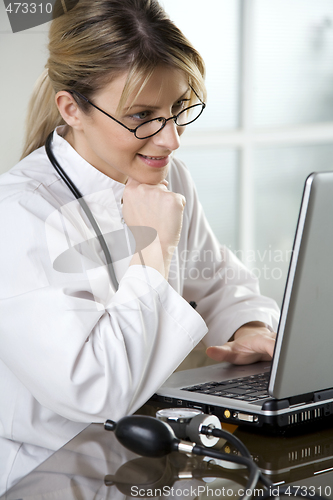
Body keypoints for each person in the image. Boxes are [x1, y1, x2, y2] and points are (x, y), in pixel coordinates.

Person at [0, 0, 279, 493]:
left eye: (177, 110)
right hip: (50, 472)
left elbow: (221, 282)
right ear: (72, 109)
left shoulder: (168, 178)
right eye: (142, 116)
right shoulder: (20, 214)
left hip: (150, 454)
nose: (170, 140)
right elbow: (95, 391)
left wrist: (250, 325)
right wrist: (153, 254)